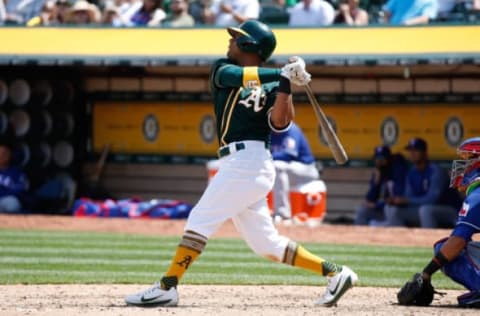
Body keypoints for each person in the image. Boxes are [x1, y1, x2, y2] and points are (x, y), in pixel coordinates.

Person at [125, 20, 357, 308]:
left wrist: (287, 84)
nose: (230, 41)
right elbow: (238, 77)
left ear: (250, 46)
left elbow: (280, 122)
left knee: (199, 220)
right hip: (241, 164)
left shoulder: (274, 82)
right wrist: (281, 72)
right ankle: (337, 273)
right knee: (266, 245)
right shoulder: (222, 68)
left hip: (251, 162)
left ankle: (167, 285)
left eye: (237, 38)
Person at [397, 137, 480, 308]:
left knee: (444, 248)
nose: (462, 166)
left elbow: (457, 242)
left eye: (469, 159)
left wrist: (426, 273)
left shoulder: (477, 196)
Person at [383, 138, 462, 228]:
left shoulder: (435, 171)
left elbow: (432, 200)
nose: (412, 153)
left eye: (416, 150)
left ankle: (428, 240)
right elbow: (409, 196)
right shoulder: (411, 172)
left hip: (450, 210)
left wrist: (407, 200)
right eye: (410, 150)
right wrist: (397, 201)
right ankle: (402, 240)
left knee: (426, 210)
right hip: (424, 209)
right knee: (393, 210)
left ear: (425, 153)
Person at [270, 122, 320, 222]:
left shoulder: (291, 129)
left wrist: (267, 157)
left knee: (277, 166)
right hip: (288, 171)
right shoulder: (268, 131)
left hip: (306, 169)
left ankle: (282, 214)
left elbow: (288, 155)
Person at [354, 145, 408, 226]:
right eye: (377, 158)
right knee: (362, 211)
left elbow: (396, 199)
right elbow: (369, 199)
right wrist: (376, 182)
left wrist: (377, 205)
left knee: (387, 212)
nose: (379, 161)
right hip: (382, 211)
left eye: (382, 158)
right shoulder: (378, 172)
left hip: (396, 211)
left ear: (389, 159)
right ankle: (358, 238)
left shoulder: (397, 172)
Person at [0, 141, 29, 213]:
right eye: (0, 153)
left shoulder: (17, 172)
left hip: (6, 200)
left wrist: (4, 193)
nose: (2, 156)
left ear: (10, 155)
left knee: (13, 203)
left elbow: (20, 189)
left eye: (5, 153)